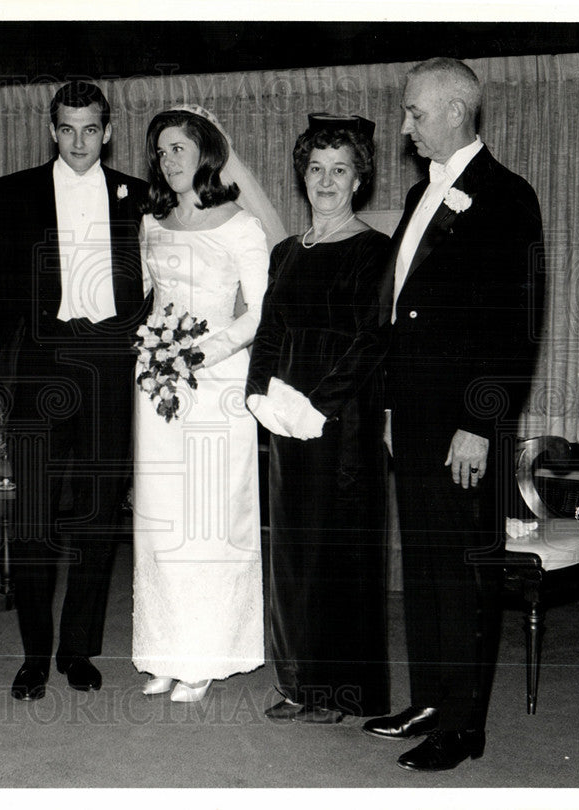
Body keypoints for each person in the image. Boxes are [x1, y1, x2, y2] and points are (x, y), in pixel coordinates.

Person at [363, 58, 543, 771]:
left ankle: (466, 727)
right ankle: (433, 698)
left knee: (466, 568)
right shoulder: (419, 197)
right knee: (428, 565)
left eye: (415, 112)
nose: (405, 126)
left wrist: (479, 420)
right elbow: (397, 314)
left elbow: (516, 326)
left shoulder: (505, 197)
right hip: (409, 414)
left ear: (457, 112)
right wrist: (384, 404)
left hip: (465, 422)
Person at [0, 81, 148, 700]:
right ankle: (33, 654)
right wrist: (29, 354)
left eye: (91, 129)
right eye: (67, 128)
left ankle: (77, 650)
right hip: (44, 364)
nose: (79, 141)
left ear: (107, 132)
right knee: (32, 516)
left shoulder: (139, 194)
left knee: (99, 512)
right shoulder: (12, 192)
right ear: (52, 130)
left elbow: (157, 278)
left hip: (111, 365)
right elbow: (1, 287)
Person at [246, 113, 391, 724]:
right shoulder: (285, 253)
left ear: (359, 180)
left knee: (341, 555)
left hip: (342, 422)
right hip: (285, 421)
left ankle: (342, 691)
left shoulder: (375, 251)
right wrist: (259, 393)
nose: (326, 181)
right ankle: (299, 681)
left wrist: (318, 405)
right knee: (293, 555)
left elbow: (369, 341)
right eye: (315, 169)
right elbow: (270, 330)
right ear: (302, 176)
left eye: (340, 170)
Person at [131, 106, 271, 703]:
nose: (170, 161)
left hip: (217, 384)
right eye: (161, 152)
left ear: (207, 152)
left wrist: (202, 352)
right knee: (162, 517)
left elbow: (263, 310)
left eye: (180, 148)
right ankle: (164, 649)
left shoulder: (240, 225)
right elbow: (147, 297)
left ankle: (206, 656)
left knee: (209, 518)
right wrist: (157, 354)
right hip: (158, 384)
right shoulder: (152, 221)